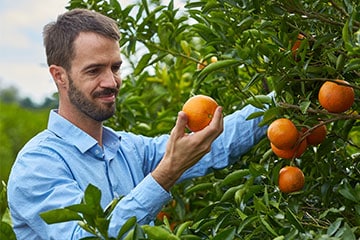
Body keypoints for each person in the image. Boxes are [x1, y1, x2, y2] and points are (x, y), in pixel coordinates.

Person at [7, 8, 268, 240]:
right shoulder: (38, 164)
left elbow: (214, 145)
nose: (111, 82)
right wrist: (166, 173)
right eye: (94, 70)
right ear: (59, 76)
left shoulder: (128, 149)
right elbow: (89, 236)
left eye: (116, 67)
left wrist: (280, 100)